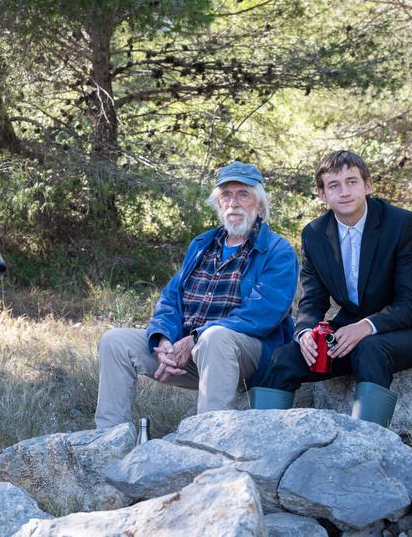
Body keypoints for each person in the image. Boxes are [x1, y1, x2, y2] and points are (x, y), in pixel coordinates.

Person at [250, 150, 412, 427]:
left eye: (352, 182)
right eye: (334, 185)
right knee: (284, 357)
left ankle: (367, 446)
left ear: (368, 185)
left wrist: (366, 326)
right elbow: (312, 300)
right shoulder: (314, 234)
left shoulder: (402, 224)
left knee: (370, 349)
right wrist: (306, 333)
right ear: (322, 194)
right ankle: (261, 443)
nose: (344, 192)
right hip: (349, 332)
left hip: (409, 328)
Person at [94, 161, 298, 429]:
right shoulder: (202, 245)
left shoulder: (277, 250)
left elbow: (262, 314)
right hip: (190, 351)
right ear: (218, 203)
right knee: (115, 341)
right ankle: (108, 439)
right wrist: (165, 339)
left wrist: (196, 337)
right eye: (226, 194)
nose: (233, 203)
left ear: (259, 206)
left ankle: (206, 440)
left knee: (215, 338)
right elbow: (172, 298)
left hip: (246, 355)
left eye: (243, 194)